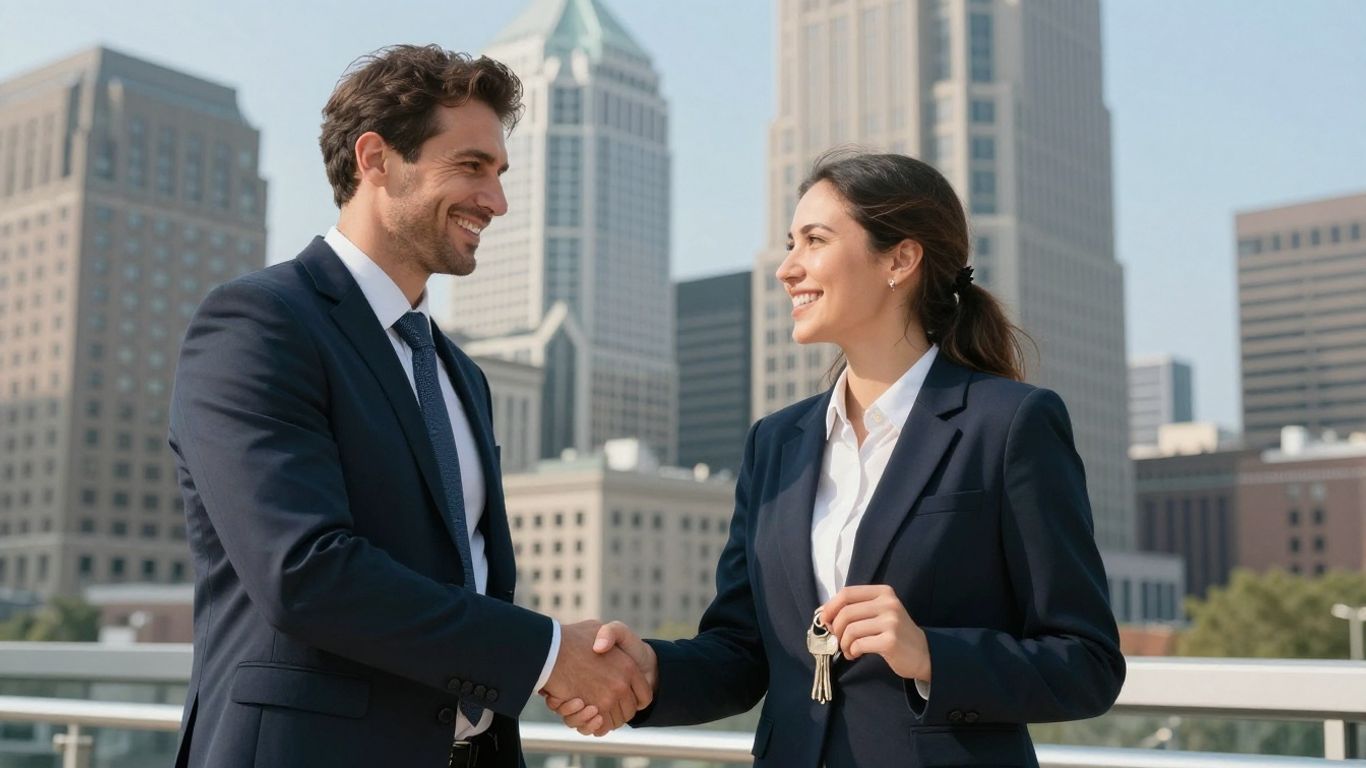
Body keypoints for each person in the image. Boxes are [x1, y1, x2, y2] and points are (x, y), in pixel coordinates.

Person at [547, 151, 1126, 767]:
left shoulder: (1010, 425)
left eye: (814, 241)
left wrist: (930, 653)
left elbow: (1086, 663)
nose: (787, 268)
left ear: (900, 260)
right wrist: (652, 669)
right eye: (789, 243)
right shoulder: (776, 442)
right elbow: (744, 653)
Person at [168, 45, 650, 768]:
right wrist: (549, 654)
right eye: (471, 167)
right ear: (376, 159)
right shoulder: (259, 323)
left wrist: (561, 659)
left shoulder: (460, 373)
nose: (497, 201)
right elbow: (305, 573)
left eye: (499, 173)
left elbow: (464, 578)